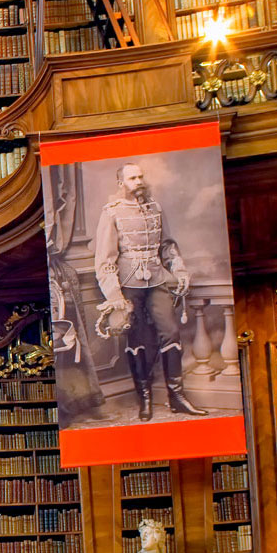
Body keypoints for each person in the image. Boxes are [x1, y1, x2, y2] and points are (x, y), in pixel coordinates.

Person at [93, 162, 204, 421]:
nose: (139, 182)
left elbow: (167, 246)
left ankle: (177, 397)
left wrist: (180, 271)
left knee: (171, 332)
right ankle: (144, 398)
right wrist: (114, 295)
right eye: (132, 178)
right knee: (138, 339)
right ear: (121, 183)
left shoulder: (155, 208)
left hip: (157, 279)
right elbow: (105, 259)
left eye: (141, 177)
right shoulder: (112, 212)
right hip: (129, 284)